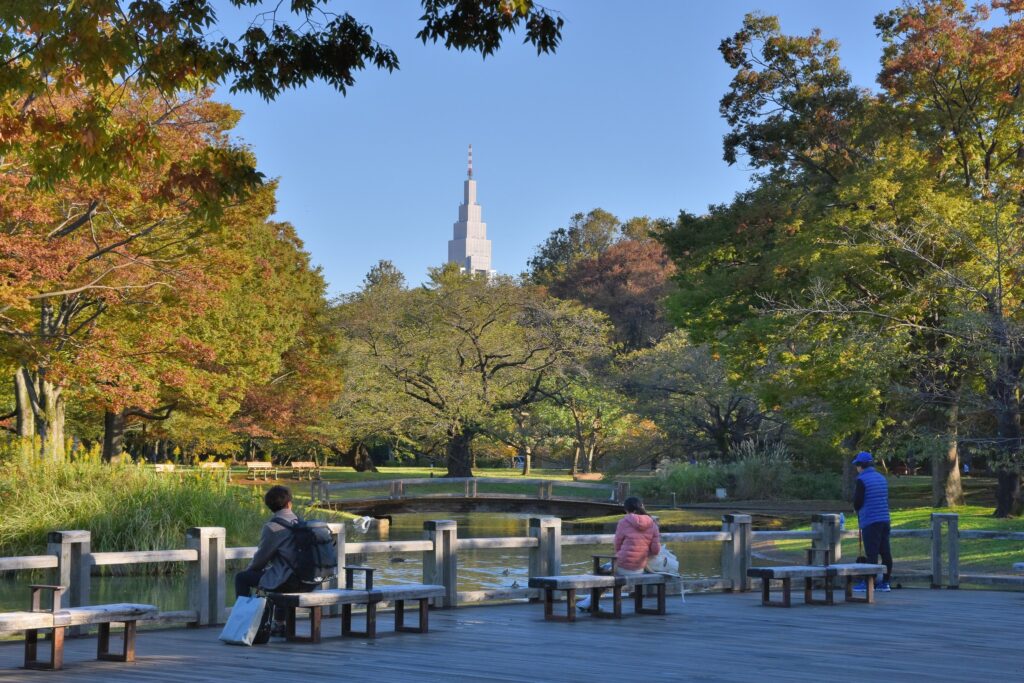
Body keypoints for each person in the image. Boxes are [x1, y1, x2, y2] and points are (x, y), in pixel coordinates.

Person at [234, 485, 310, 635]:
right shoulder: (302, 524)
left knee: (242, 578)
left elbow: (261, 559)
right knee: (277, 574)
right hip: (309, 581)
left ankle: (243, 622)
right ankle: (280, 624)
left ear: (270, 507)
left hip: (290, 582)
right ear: (289, 504)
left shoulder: (273, 527)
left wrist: (250, 570)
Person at [577, 496, 661, 610]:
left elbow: (617, 544)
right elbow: (656, 550)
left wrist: (621, 555)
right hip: (639, 568)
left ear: (627, 510)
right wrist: (644, 551)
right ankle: (589, 602)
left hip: (622, 565)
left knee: (601, 571)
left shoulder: (624, 522)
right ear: (641, 507)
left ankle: (591, 603)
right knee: (605, 570)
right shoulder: (653, 524)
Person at [852, 451, 893, 592]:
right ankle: (885, 582)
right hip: (884, 519)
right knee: (885, 551)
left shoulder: (861, 480)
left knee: (872, 552)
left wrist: (856, 509)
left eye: (857, 465)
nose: (856, 468)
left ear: (860, 466)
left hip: (870, 519)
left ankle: (869, 583)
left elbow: (858, 501)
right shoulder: (881, 478)